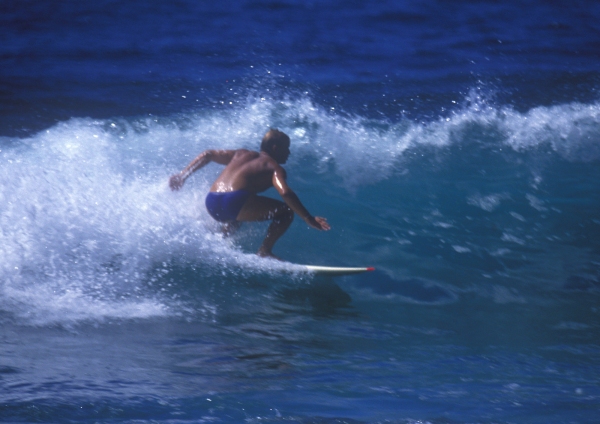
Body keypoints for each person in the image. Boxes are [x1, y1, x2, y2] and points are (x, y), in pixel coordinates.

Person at [169, 129, 330, 259]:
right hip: (234, 202)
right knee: (286, 211)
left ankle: (216, 244)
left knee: (236, 218)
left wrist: (182, 176)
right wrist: (308, 218)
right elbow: (286, 193)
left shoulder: (240, 154)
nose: (289, 153)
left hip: (212, 200)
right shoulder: (274, 167)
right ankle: (264, 251)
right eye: (286, 148)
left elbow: (208, 154)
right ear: (275, 148)